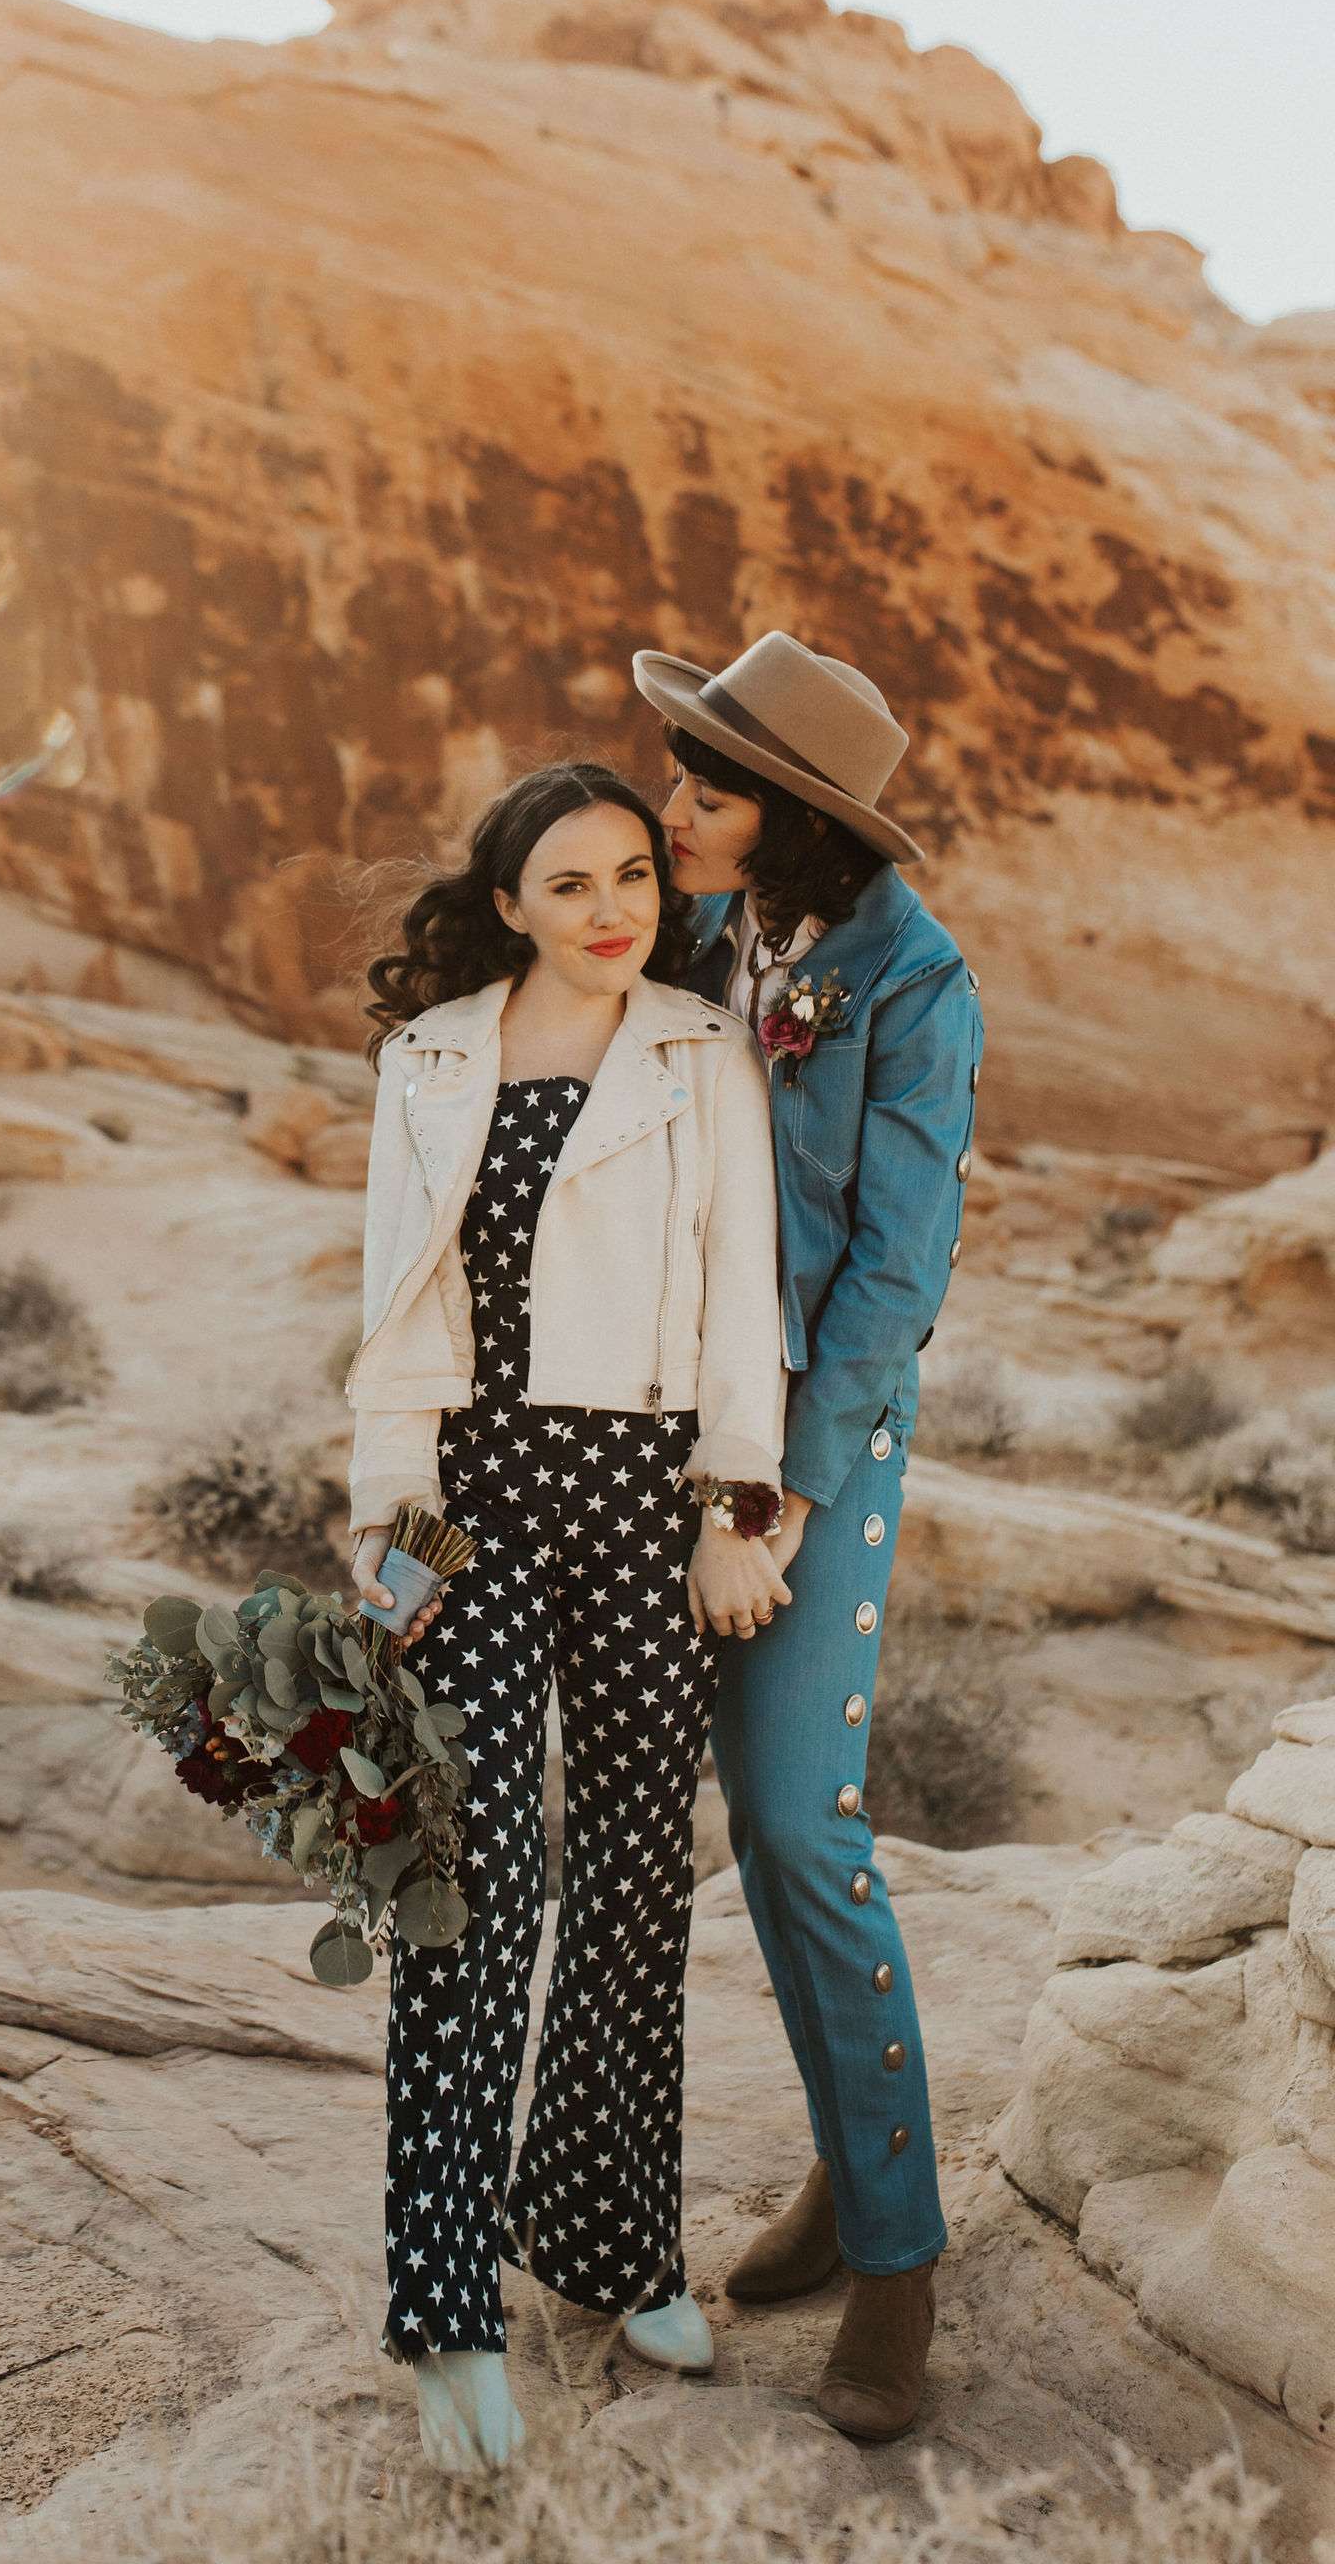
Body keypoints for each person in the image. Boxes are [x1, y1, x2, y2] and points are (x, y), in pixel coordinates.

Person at [343, 758, 786, 2474]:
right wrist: (388, 1545)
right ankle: (446, 2306)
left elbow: (741, 1294)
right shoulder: (432, 1054)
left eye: (634, 878)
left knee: (631, 1871)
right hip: (464, 1492)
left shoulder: (701, 1046)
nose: (614, 912)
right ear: (509, 904)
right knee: (463, 1878)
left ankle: (610, 2242)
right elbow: (397, 1310)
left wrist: (736, 1510)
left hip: (644, 1485)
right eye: (572, 885)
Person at [632, 629, 982, 2444]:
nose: (673, 803)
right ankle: (850, 2173)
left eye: (706, 784)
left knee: (797, 1819)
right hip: (670, 1414)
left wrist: (780, 1497)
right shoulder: (708, 933)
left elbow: (897, 1280)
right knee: (738, 1844)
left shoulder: (916, 984)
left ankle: (899, 2252)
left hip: (812, 1442)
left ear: (792, 814)